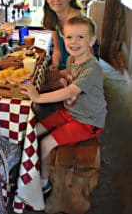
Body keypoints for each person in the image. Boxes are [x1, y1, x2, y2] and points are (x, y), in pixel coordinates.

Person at [20, 15, 107, 194]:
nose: (73, 42)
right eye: (69, 37)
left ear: (92, 40)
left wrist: (38, 97)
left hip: (87, 122)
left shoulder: (92, 68)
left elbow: (69, 91)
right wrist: (49, 74)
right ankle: (31, 169)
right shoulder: (71, 60)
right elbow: (66, 76)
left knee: (45, 144)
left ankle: (43, 185)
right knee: (33, 131)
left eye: (80, 37)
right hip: (70, 112)